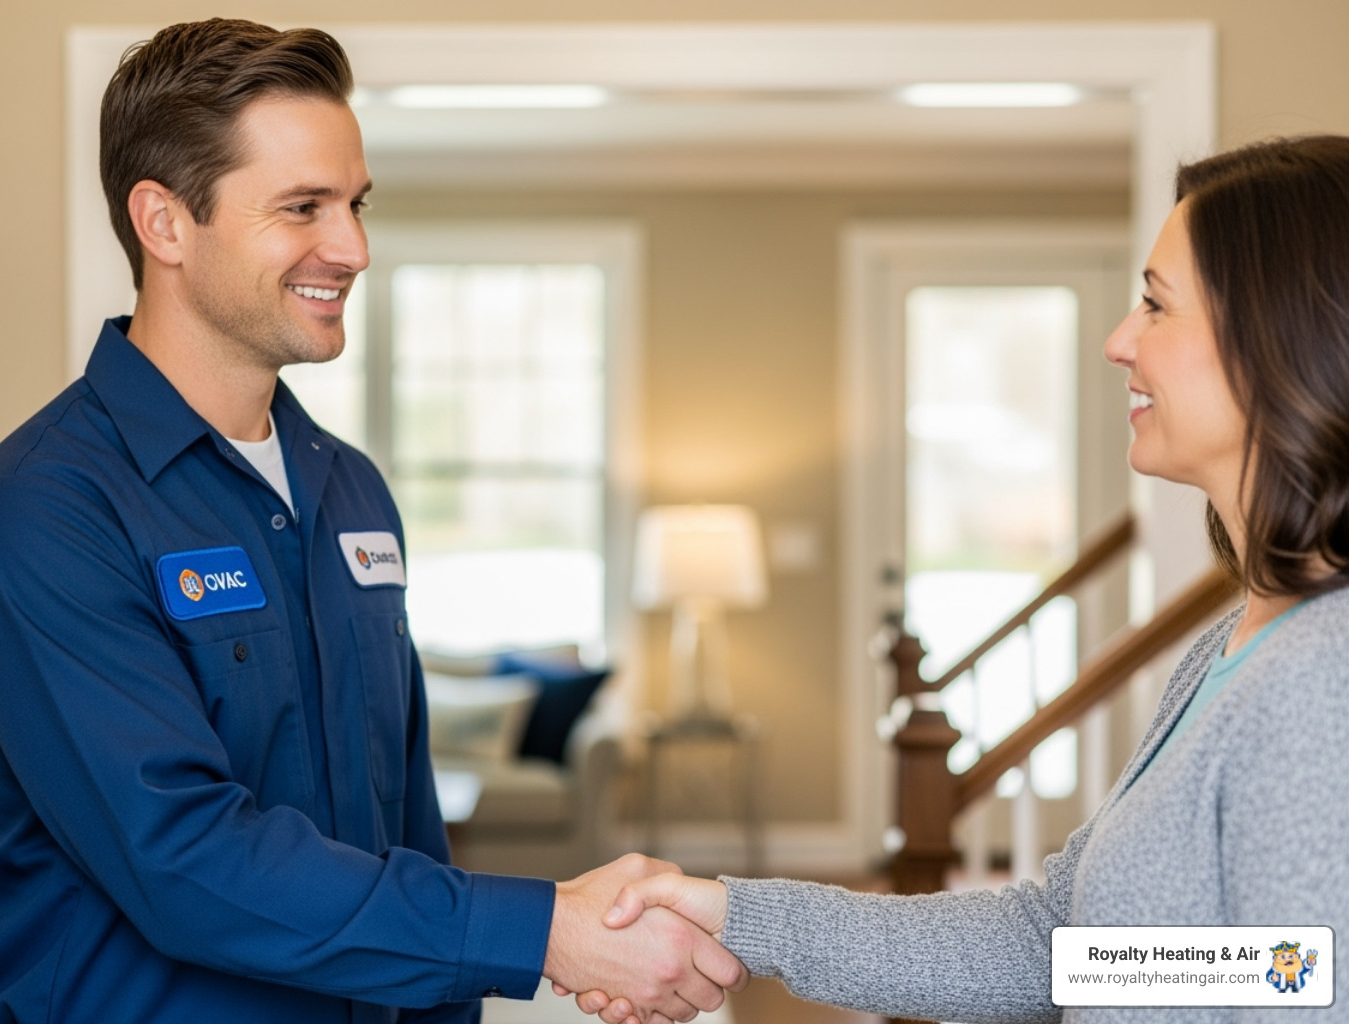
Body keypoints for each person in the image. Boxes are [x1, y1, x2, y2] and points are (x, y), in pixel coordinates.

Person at [0, 19, 745, 1024]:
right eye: (302, 207)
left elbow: (406, 830)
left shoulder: (349, 489)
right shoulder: (43, 512)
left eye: (355, 204)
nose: (353, 248)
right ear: (165, 223)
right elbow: (184, 860)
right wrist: (545, 931)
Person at [565, 135, 1349, 1023]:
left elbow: (1305, 986)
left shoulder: (1322, 677)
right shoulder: (1234, 645)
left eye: (1156, 305)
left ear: (1278, 339)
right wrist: (738, 918)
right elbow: (1062, 950)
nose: (1118, 341)